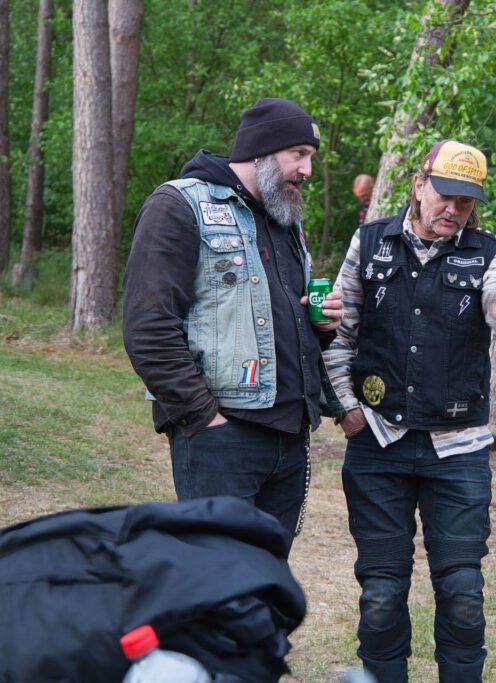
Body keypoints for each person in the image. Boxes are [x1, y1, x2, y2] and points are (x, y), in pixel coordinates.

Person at [323, 139, 496, 683]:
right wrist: (346, 408)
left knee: (462, 591)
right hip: (378, 444)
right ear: (419, 184)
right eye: (445, 196)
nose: (453, 211)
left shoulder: (488, 252)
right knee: (383, 593)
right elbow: (339, 335)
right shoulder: (369, 243)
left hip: (457, 450)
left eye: (465, 203)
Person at [122, 98, 344, 555]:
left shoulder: (286, 221)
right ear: (261, 150)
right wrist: (206, 419)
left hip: (288, 435)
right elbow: (148, 327)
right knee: (216, 582)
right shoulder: (180, 205)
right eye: (298, 154)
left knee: (264, 581)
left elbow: (269, 318)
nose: (306, 169)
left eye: (310, 158)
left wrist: (322, 327)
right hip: (223, 436)